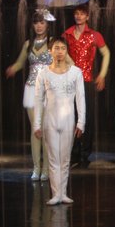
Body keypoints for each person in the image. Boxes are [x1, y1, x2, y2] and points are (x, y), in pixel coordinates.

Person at [34, 37, 85, 205]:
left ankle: (63, 193)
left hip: (68, 121)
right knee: (53, 159)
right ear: (50, 51)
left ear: (66, 51)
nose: (60, 51)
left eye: (63, 48)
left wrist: (81, 122)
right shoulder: (43, 73)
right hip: (50, 121)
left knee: (65, 159)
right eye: (56, 48)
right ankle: (56, 194)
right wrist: (37, 124)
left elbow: (80, 99)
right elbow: (38, 100)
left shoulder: (76, 72)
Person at [6, 10, 56, 181]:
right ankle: (36, 168)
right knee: (36, 129)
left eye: (42, 22)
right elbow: (20, 62)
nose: (39, 26)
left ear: (47, 25)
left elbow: (66, 61)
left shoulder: (53, 42)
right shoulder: (28, 44)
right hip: (31, 89)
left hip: (48, 90)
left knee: (45, 130)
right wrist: (13, 68)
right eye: (36, 23)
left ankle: (46, 169)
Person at [63, 3, 110, 168]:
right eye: (76, 13)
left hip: (87, 81)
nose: (79, 16)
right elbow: (58, 52)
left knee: (87, 118)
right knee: (70, 117)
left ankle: (84, 154)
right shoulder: (67, 34)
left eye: (82, 14)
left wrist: (102, 74)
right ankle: (73, 153)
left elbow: (106, 53)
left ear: (87, 17)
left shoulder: (94, 35)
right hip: (69, 81)